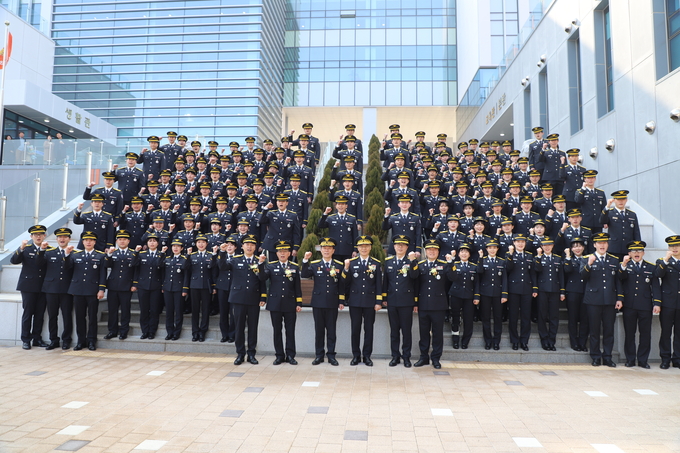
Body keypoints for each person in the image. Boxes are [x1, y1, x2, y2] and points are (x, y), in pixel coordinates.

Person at [580, 232, 622, 367]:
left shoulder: (614, 260)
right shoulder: (587, 258)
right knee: (594, 330)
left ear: (607, 245)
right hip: (593, 300)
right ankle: (596, 356)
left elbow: (618, 281)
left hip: (610, 300)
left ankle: (608, 357)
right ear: (594, 245)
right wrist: (589, 264)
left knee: (609, 330)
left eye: (604, 243)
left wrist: (619, 298)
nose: (602, 245)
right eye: (599, 243)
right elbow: (582, 276)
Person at [301, 237, 345, 366]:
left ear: (333, 250)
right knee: (319, 331)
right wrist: (305, 260)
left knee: (331, 331)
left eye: (329, 248)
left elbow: (342, 285)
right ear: (320, 250)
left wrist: (341, 300)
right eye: (324, 248)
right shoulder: (315, 264)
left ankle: (331, 355)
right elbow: (304, 274)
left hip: (332, 302)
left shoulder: (339, 265)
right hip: (318, 302)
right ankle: (319, 355)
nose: (326, 250)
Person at [222, 234, 264, 365]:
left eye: (252, 245)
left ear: (255, 247)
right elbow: (223, 267)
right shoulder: (235, 259)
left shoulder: (259, 260)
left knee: (253, 327)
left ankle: (251, 354)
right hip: (238, 298)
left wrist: (263, 296)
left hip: (253, 299)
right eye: (247, 244)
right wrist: (222, 252)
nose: (249, 247)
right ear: (242, 246)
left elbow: (262, 280)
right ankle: (240, 354)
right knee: (239, 327)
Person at [259, 240, 302, 365]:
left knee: (290, 331)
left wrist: (298, 303)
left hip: (290, 303)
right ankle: (279, 355)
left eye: (285, 251)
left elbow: (297, 287)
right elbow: (262, 277)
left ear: (289, 253)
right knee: (277, 330)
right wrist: (261, 264)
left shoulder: (294, 267)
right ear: (276, 253)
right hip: (275, 303)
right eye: (280, 251)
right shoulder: (270, 266)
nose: (282, 253)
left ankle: (290, 356)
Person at [619, 241, 660, 369]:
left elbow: (655, 286)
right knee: (629, 334)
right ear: (629, 253)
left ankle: (643, 360)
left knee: (645, 334)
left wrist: (657, 303)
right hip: (629, 305)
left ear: (643, 253)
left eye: (639, 250)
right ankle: (630, 359)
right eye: (634, 251)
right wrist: (624, 264)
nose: (637, 253)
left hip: (645, 305)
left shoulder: (651, 267)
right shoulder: (624, 265)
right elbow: (620, 279)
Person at [344, 236, 383, 366]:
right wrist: (346, 269)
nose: (364, 248)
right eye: (361, 246)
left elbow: (379, 284)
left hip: (370, 302)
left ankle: (367, 356)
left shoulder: (376, 263)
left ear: (370, 247)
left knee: (369, 330)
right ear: (358, 248)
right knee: (355, 330)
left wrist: (378, 302)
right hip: (355, 302)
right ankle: (356, 355)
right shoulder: (352, 263)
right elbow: (345, 283)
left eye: (366, 246)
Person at [65, 231, 107, 351]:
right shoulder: (75, 255)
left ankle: (91, 341)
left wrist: (101, 289)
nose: (88, 242)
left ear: (94, 242)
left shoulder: (100, 256)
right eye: (86, 240)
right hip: (78, 290)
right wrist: (67, 255)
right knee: (80, 317)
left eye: (91, 240)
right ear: (82, 242)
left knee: (92, 317)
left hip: (93, 291)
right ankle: (81, 341)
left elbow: (102, 274)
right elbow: (67, 268)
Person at [382, 236, 419, 367]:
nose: (400, 247)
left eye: (403, 245)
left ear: (407, 247)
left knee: (406, 331)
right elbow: (385, 281)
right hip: (392, 301)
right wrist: (384, 298)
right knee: (394, 331)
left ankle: (406, 357)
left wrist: (415, 301)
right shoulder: (389, 261)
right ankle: (395, 356)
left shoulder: (411, 261)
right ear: (394, 246)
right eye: (398, 245)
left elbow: (415, 278)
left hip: (406, 301)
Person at [10, 225, 48, 350]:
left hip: (43, 286)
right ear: (31, 236)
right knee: (28, 313)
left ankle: (37, 338)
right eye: (35, 234)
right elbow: (14, 261)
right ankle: (26, 339)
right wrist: (21, 248)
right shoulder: (26, 249)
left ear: (44, 236)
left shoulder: (48, 249)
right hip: (28, 286)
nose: (38, 236)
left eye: (40, 234)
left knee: (39, 314)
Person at [414, 239, 449, 368]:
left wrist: (451, 263)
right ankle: (423, 357)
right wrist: (415, 303)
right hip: (423, 304)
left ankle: (436, 358)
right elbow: (416, 284)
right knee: (423, 333)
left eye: (434, 250)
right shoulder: (420, 265)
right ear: (425, 251)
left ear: (438, 251)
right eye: (429, 250)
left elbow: (453, 278)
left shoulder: (444, 265)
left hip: (438, 305)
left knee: (437, 334)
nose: (432, 252)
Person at [42, 227, 75, 350]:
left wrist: (67, 254)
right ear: (56, 239)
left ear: (69, 239)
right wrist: (41, 250)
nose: (62, 239)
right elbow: (39, 264)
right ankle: (53, 340)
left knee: (67, 315)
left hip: (66, 290)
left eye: (65, 237)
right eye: (60, 237)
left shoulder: (74, 253)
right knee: (52, 316)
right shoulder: (49, 252)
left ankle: (66, 340)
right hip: (51, 289)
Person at [103, 230, 138, 341]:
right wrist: (109, 255)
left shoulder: (133, 253)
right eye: (120, 239)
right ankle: (112, 331)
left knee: (125, 310)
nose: (122, 241)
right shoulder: (113, 253)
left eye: (124, 239)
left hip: (126, 285)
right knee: (112, 310)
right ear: (116, 241)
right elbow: (106, 265)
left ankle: (123, 331)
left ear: (128, 241)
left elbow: (136, 270)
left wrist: (134, 284)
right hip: (113, 285)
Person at [475, 239, 508, 350]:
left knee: (498, 318)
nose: (492, 250)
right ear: (487, 249)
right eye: (490, 248)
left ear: (497, 249)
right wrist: (480, 258)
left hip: (498, 293)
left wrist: (504, 294)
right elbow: (479, 272)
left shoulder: (501, 261)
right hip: (485, 293)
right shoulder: (482, 260)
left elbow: (504, 279)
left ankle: (496, 341)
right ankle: (488, 341)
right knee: (486, 318)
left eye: (494, 248)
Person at [505, 234, 536, 351]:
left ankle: (524, 340)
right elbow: (508, 268)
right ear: (514, 243)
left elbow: (532, 273)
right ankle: (514, 340)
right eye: (518, 242)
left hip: (526, 289)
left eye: (522, 242)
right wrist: (510, 254)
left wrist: (534, 288)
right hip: (513, 289)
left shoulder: (529, 255)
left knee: (526, 317)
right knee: (513, 316)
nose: (520, 244)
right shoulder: (509, 255)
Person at [654, 235, 680, 369]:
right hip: (667, 303)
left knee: (679, 333)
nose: (674, 248)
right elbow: (658, 274)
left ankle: (677, 359)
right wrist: (665, 260)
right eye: (671, 246)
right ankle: (665, 359)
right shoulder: (662, 261)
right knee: (666, 332)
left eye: (677, 245)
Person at [534, 238, 564, 351]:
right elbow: (536, 271)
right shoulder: (538, 258)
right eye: (544, 245)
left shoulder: (557, 258)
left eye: (549, 245)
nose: (547, 247)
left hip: (555, 290)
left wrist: (562, 291)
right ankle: (544, 339)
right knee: (542, 315)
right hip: (542, 290)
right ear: (541, 247)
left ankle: (552, 340)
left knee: (554, 316)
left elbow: (561, 276)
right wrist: (538, 256)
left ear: (552, 246)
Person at [133, 234, 165, 339]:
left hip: (156, 286)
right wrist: (136, 252)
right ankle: (144, 331)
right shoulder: (141, 254)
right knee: (144, 310)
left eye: (154, 241)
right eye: (150, 241)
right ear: (147, 243)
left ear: (158, 243)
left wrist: (163, 285)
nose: (152, 243)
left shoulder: (161, 254)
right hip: (143, 285)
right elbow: (134, 266)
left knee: (154, 310)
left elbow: (163, 271)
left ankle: (152, 331)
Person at [187, 234, 215, 342]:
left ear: (206, 244)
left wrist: (213, 286)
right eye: (199, 242)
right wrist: (188, 255)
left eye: (203, 242)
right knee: (195, 309)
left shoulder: (211, 255)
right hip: (194, 285)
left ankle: (203, 331)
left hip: (206, 286)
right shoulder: (192, 255)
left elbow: (213, 271)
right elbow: (186, 269)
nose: (201, 244)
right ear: (196, 244)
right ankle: (195, 332)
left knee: (205, 309)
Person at [563, 237, 589, 351]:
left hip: (586, 291)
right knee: (572, 318)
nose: (577, 249)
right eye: (574, 247)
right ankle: (574, 343)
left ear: (583, 247)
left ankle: (582, 343)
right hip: (572, 291)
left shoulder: (588, 259)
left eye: (579, 246)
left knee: (585, 319)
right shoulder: (568, 259)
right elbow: (567, 270)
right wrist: (568, 256)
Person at [161, 239, 190, 341]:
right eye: (174, 246)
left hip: (179, 288)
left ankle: (176, 333)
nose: (175, 248)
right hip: (168, 288)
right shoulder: (167, 259)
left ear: (182, 248)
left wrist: (185, 289)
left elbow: (186, 275)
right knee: (169, 312)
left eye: (178, 246)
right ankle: (169, 332)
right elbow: (162, 271)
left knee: (178, 311)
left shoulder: (184, 259)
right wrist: (163, 286)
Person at [599, 190, 641, 260]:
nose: (621, 201)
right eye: (618, 199)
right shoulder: (609, 213)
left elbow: (636, 232)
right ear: (614, 200)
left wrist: (637, 248)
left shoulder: (632, 214)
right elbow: (602, 221)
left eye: (623, 199)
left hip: (628, 248)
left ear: (626, 200)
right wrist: (607, 207)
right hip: (614, 248)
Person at [317, 196, 358, 262]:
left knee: (347, 267)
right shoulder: (330, 218)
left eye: (343, 204)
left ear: (346, 206)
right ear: (336, 206)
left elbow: (355, 235)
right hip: (334, 250)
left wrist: (355, 250)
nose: (340, 206)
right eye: (339, 204)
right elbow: (320, 225)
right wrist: (325, 213)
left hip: (347, 250)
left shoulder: (352, 218)